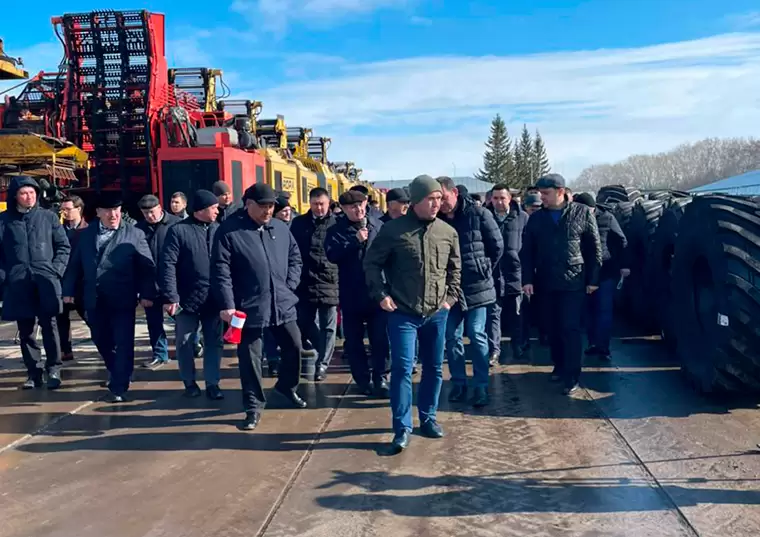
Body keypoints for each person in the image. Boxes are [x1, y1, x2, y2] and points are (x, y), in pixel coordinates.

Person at [364, 174, 462, 454]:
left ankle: (428, 418)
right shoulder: (393, 231)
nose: (436, 204)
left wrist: (451, 298)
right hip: (403, 313)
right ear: (416, 201)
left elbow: (455, 269)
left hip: (437, 312)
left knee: (433, 367)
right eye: (430, 199)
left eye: (439, 199)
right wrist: (381, 295)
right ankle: (402, 428)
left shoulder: (447, 232)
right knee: (403, 370)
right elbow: (372, 264)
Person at [211, 183, 307, 431]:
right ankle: (253, 406)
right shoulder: (229, 230)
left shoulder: (279, 227)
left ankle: (287, 388)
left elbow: (295, 256)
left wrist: (289, 284)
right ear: (248, 204)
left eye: (271, 206)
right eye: (263, 206)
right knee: (250, 358)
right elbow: (221, 271)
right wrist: (228, 305)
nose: (268, 211)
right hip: (248, 306)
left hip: (282, 303)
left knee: (295, 346)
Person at [63, 193, 155, 403]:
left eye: (117, 210)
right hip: (94, 298)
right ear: (98, 213)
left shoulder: (134, 234)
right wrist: (67, 291)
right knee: (100, 339)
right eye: (108, 211)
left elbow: (147, 267)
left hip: (122, 296)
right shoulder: (86, 235)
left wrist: (147, 293)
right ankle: (117, 369)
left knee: (123, 341)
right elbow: (74, 265)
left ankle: (119, 386)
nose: (113, 215)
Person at [520, 174, 602, 395]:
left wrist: (594, 280)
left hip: (573, 282)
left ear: (560, 191)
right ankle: (558, 365)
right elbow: (527, 251)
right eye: (539, 194)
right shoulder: (537, 219)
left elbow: (594, 249)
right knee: (551, 328)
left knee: (570, 327)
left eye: (545, 194)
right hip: (546, 282)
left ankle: (572, 375)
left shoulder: (581, 213)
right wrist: (527, 279)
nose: (541, 198)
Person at [437, 176, 504, 408]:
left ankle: (481, 386)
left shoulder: (478, 214)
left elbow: (497, 246)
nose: (441, 204)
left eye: (443, 198)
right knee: (451, 336)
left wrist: (483, 268)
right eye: (437, 199)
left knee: (476, 335)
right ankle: (458, 383)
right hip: (449, 289)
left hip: (478, 286)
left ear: (454, 192)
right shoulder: (436, 220)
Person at [0, 176, 70, 390]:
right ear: (15, 197)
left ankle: (54, 369)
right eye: (24, 193)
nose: (28, 197)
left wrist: (55, 271)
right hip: (18, 282)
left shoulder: (48, 217)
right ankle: (34, 372)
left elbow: (63, 247)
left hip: (45, 280)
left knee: (49, 326)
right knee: (26, 329)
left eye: (32, 192)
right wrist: (6, 277)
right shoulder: (4, 220)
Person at [160, 190, 224, 399]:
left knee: (214, 342)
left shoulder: (219, 230)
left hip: (214, 298)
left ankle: (213, 383)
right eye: (213, 208)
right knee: (185, 341)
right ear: (202, 210)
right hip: (186, 299)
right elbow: (167, 264)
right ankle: (189, 381)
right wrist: (171, 296)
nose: (217, 211)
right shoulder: (178, 231)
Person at [325, 189, 389, 397]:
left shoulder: (377, 225)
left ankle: (381, 377)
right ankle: (362, 379)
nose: (359, 210)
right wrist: (354, 241)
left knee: (380, 338)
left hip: (376, 292)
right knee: (353, 341)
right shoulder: (336, 230)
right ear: (343, 209)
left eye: (361, 205)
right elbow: (332, 255)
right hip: (351, 293)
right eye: (353, 207)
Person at [289, 187, 339, 381]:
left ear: (328, 204)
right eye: (315, 204)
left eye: (322, 204)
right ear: (310, 204)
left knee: (329, 325)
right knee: (303, 321)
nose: (319, 208)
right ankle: (322, 348)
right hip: (305, 281)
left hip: (330, 281)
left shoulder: (336, 224)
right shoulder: (299, 223)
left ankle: (322, 365)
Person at [573, 193, 629, 360]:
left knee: (604, 310)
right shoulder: (574, 219)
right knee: (588, 311)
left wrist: (624, 264)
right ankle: (592, 343)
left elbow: (621, 240)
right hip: (583, 272)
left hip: (605, 271)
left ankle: (603, 347)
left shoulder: (607, 218)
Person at [136, 195, 180, 368]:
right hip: (149, 284)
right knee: (154, 323)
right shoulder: (138, 229)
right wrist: (142, 292)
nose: (150, 216)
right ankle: (160, 354)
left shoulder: (175, 225)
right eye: (145, 213)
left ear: (160, 208)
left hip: (173, 283)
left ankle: (193, 344)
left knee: (182, 320)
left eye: (152, 212)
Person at [487, 184, 529, 365]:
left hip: (515, 274)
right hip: (493, 274)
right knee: (493, 314)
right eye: (495, 198)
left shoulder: (522, 217)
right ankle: (494, 351)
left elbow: (528, 247)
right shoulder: (485, 217)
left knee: (516, 313)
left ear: (509, 199)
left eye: (502, 198)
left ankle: (517, 345)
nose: (498, 202)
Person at [57, 195, 89, 362]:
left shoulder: (88, 231)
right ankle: (65, 350)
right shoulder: (58, 229)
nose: (65, 212)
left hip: (81, 283)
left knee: (89, 316)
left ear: (79, 209)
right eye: (63, 209)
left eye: (68, 209)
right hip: (62, 280)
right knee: (60, 318)